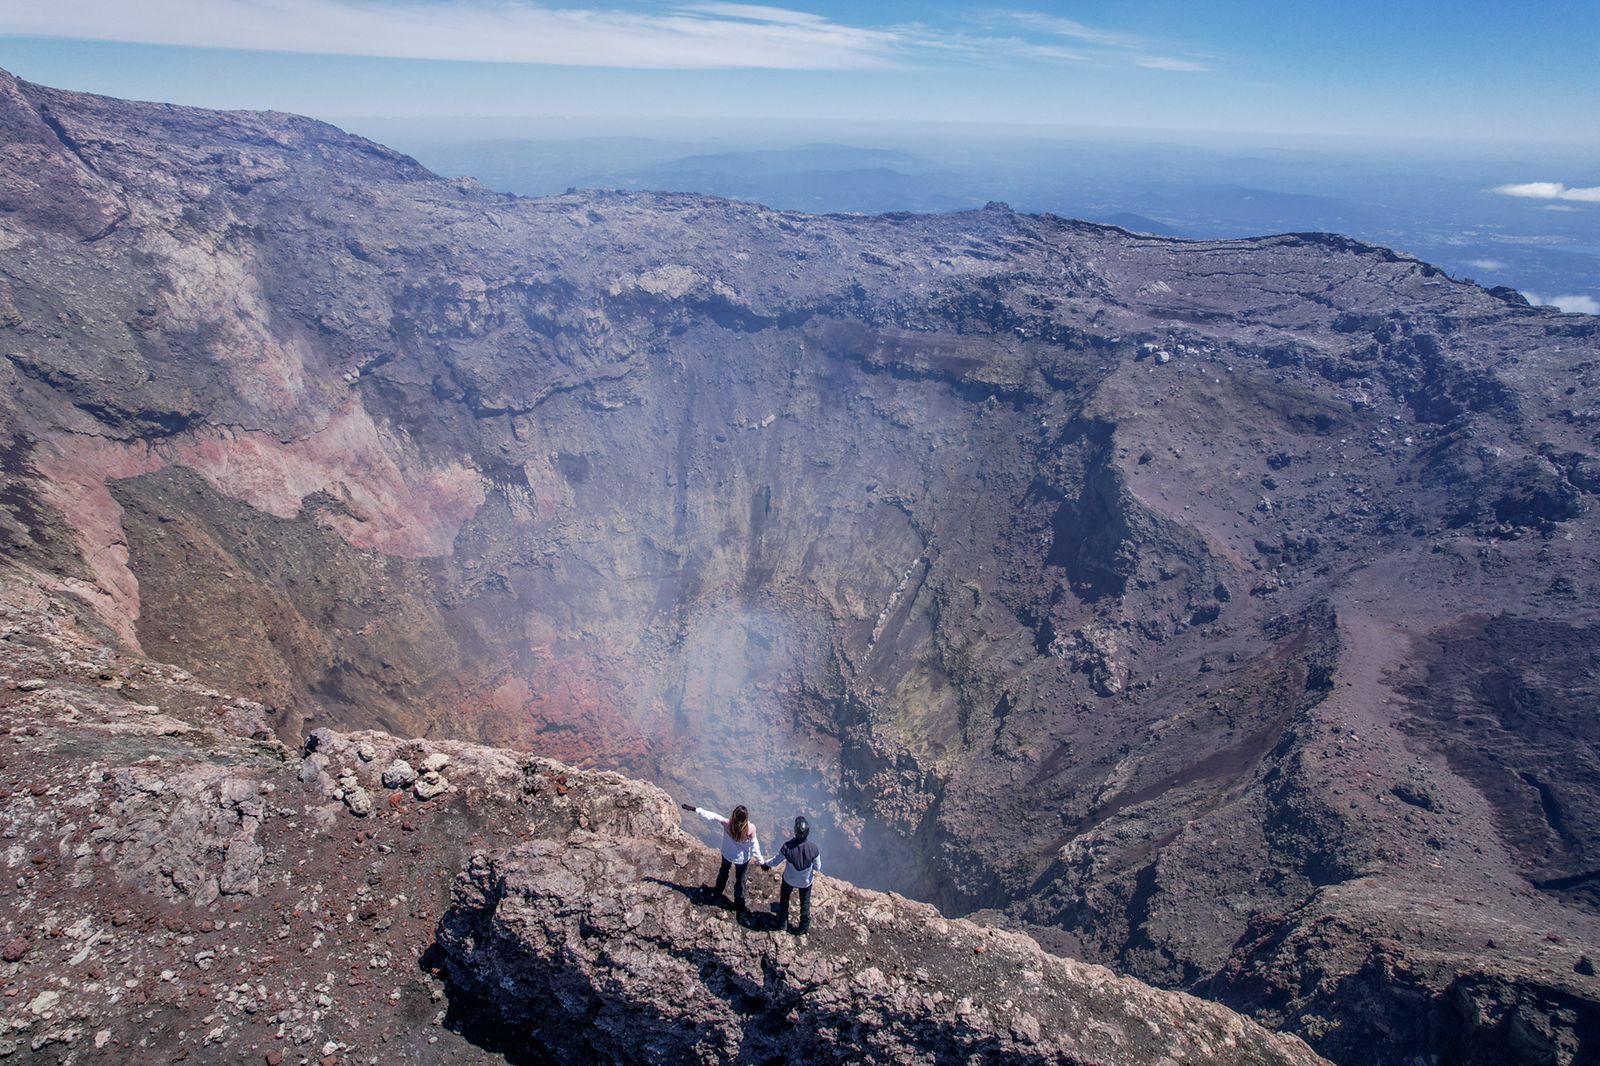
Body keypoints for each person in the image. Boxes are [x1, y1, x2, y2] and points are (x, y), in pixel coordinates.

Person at [681, 802, 763, 915]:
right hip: (742, 859)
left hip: (727, 854)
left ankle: (717, 891)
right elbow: (755, 847)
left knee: (723, 871)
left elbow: (712, 815)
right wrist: (762, 862)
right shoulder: (750, 828)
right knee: (740, 880)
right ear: (746, 818)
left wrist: (695, 809)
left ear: (734, 815)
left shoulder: (727, 824)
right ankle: (739, 904)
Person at [763, 814, 820, 936]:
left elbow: (776, 861)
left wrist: (766, 864)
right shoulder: (814, 849)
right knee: (804, 903)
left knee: (784, 899)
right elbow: (818, 867)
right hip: (805, 882)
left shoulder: (787, 847)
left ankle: (783, 923)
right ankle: (803, 928)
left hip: (789, 879)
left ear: (795, 830)